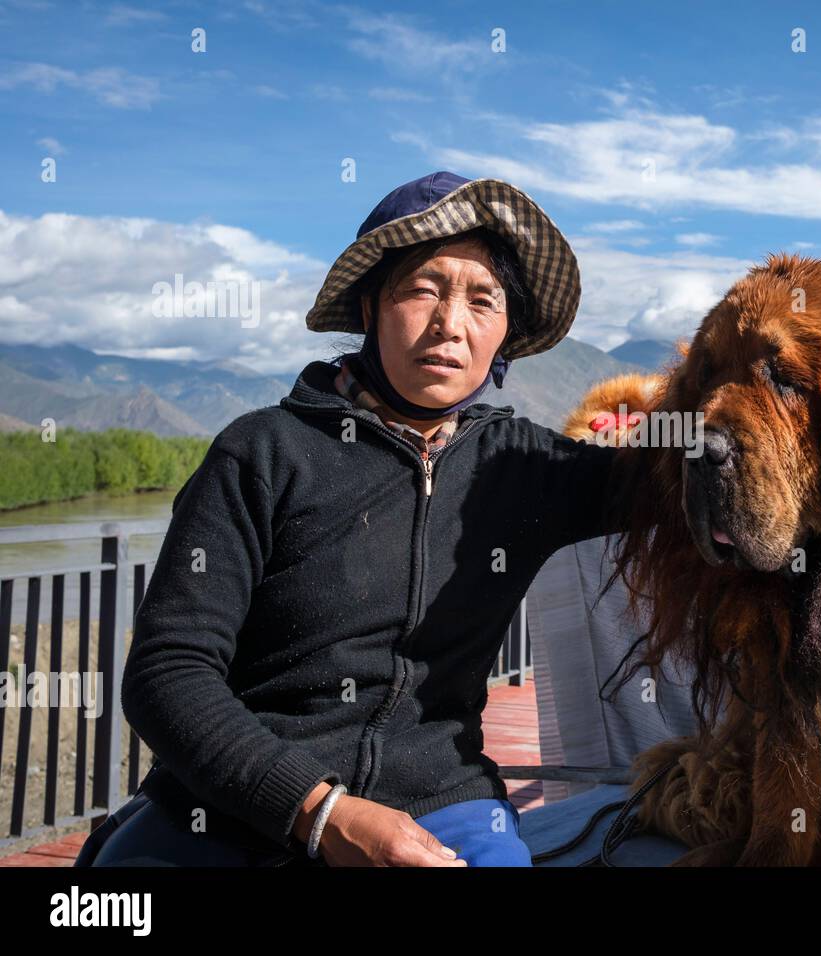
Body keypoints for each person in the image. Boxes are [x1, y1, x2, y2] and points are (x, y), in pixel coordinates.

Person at [74, 171, 632, 867]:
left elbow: (692, 486)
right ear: (369, 306)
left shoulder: (522, 467)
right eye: (422, 288)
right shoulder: (265, 453)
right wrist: (322, 812)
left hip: (445, 805)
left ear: (505, 336)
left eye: (482, 301)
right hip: (235, 807)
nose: (449, 325)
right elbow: (167, 673)